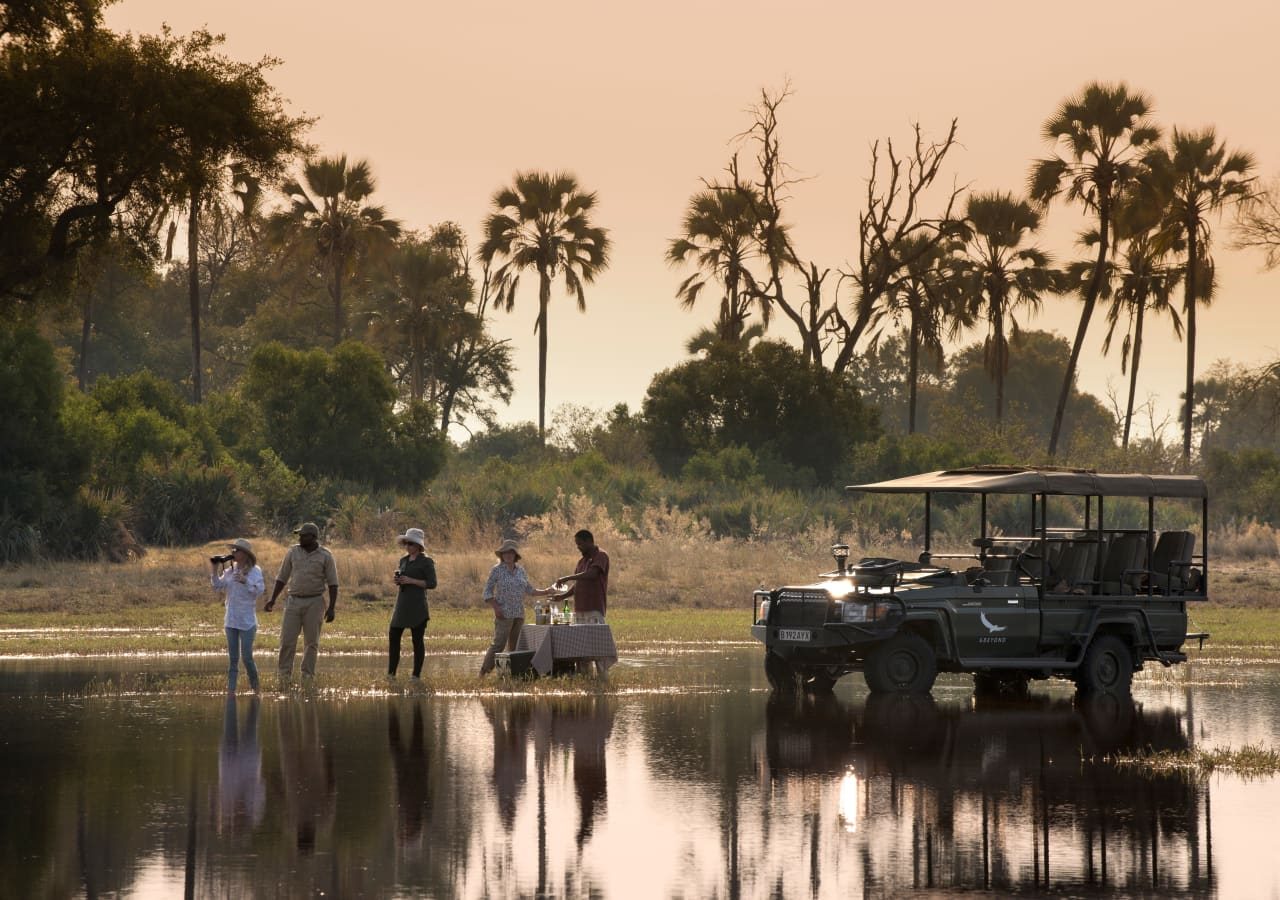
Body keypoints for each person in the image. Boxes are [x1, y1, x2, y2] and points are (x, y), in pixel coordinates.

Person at [265, 522, 339, 680]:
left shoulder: (325, 555)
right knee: (287, 641)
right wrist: (272, 599)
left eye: (303, 535)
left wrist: (331, 607)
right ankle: (284, 675)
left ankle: (307, 675)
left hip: (315, 602)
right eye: (299, 535)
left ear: (312, 537)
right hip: (293, 601)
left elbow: (333, 583)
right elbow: (282, 577)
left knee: (311, 643)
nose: (300, 538)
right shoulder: (292, 552)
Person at [479, 539, 556, 676]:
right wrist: (496, 608)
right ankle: (483, 672)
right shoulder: (496, 570)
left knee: (515, 646)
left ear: (515, 555)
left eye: (511, 553)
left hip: (519, 614)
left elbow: (530, 590)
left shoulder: (521, 571)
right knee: (499, 644)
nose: (508, 555)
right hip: (503, 613)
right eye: (505, 553)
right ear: (501, 555)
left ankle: (511, 674)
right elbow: (487, 592)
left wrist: (546, 591)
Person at [210, 537, 264, 693]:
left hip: (247, 622)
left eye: (236, 550)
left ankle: (256, 689)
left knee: (247, 657)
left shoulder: (255, 571)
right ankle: (231, 692)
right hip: (231, 621)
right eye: (232, 550)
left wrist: (245, 581)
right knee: (233, 660)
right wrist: (214, 569)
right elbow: (217, 586)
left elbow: (258, 591)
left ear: (245, 554)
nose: (233, 553)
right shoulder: (229, 570)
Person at [389, 527, 436, 680]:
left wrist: (411, 581)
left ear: (418, 546)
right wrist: (399, 580)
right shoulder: (403, 560)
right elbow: (403, 580)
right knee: (393, 635)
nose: (407, 547)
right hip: (402, 604)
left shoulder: (426, 562)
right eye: (406, 544)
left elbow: (432, 583)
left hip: (417, 605)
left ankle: (416, 675)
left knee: (417, 640)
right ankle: (391, 674)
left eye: (410, 544)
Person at [554, 529, 610, 624]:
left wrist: (567, 578)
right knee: (581, 638)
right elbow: (578, 584)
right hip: (580, 609)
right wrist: (563, 596)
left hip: (593, 608)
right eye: (577, 544)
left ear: (588, 541)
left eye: (580, 544)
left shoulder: (600, 555)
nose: (578, 547)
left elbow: (592, 574)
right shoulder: (581, 561)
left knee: (595, 638)